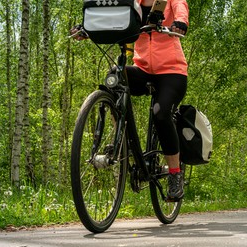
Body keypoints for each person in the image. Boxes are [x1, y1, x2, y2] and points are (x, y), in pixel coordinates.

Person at [72, 0, 189, 201]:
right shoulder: (132, 3)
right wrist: (87, 27)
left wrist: (179, 23)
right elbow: (110, 17)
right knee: (115, 77)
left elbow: (181, 11)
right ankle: (118, 139)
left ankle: (175, 173)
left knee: (161, 115)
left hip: (172, 71)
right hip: (142, 69)